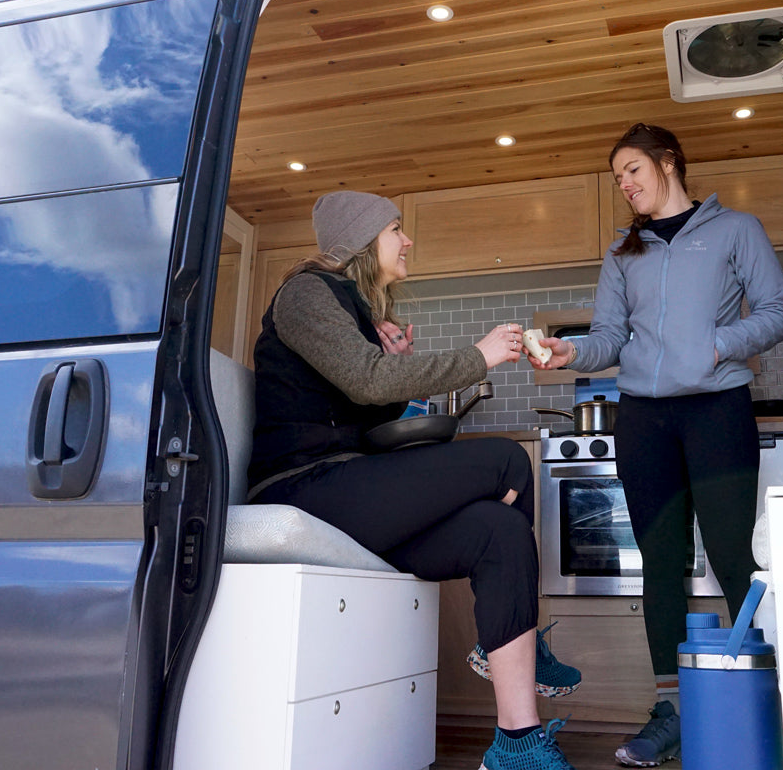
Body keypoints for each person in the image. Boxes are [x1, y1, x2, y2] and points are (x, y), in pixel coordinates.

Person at [246, 190, 582, 770]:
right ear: (359, 240)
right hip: (303, 486)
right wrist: (475, 357)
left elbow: (372, 410)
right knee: (506, 462)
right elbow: (367, 382)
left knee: (498, 530)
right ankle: (505, 640)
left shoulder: (353, 311)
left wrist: (398, 371)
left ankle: (516, 743)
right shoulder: (306, 291)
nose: (406, 240)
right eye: (396, 229)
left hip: (350, 486)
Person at [526, 123, 783, 767]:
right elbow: (609, 338)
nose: (624, 184)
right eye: (617, 176)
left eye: (631, 170)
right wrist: (569, 353)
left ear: (668, 164)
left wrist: (720, 344)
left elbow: (779, 310)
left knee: (735, 559)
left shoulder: (737, 231)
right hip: (643, 420)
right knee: (661, 565)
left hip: (717, 413)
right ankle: (672, 709)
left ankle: (757, 700)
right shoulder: (624, 253)